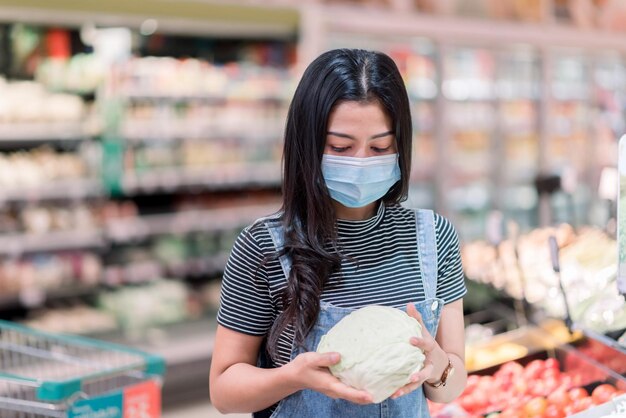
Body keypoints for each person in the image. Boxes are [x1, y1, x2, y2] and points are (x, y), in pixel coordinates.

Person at [209, 48, 467, 417]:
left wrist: (436, 363)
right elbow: (223, 391)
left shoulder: (433, 237)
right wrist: (292, 377)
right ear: (308, 145)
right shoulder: (263, 245)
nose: (361, 161)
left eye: (380, 146)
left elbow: (450, 388)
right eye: (340, 147)